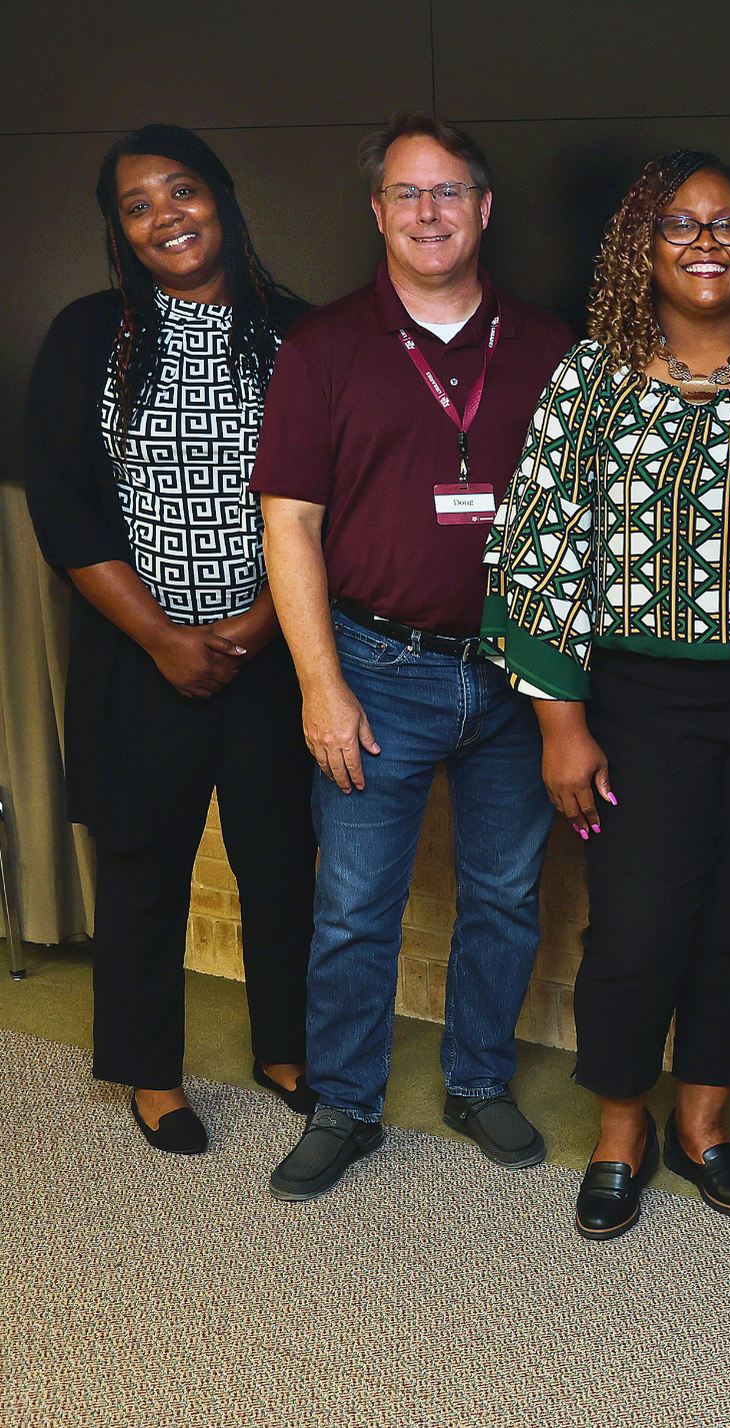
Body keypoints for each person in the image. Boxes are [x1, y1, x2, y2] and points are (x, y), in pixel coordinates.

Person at [486, 151, 730, 1240]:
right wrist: (561, 723)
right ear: (642, 247)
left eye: (728, 224)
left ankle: (703, 1124)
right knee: (635, 928)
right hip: (634, 704)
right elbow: (539, 549)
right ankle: (620, 1129)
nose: (707, 242)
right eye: (679, 225)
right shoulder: (592, 375)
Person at [251, 113, 575, 1201]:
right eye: (406, 195)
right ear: (377, 215)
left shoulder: (547, 349)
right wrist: (319, 685)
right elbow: (288, 525)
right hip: (375, 668)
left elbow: (576, 524)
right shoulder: (324, 348)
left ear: (485, 210)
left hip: (513, 672)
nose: (428, 213)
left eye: (448, 194)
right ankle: (345, 1102)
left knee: (503, 893)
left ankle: (477, 1080)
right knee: (352, 906)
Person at [23, 124, 319, 1154]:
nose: (165, 217)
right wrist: (161, 637)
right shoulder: (85, 334)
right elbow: (63, 509)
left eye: (181, 191)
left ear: (223, 199)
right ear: (120, 229)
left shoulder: (300, 335)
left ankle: (286, 1045)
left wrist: (250, 629)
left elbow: (340, 500)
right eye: (138, 204)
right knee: (142, 865)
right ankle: (151, 1072)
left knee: (282, 861)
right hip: (136, 657)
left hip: (275, 654)